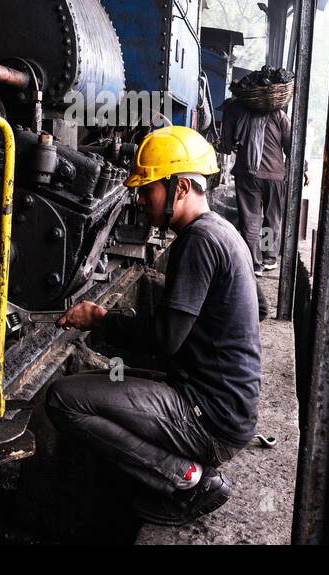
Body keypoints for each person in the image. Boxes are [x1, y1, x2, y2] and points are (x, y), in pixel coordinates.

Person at [45, 126, 262, 526]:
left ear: (179, 188)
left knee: (63, 399)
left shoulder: (197, 242)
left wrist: (101, 321)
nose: (142, 201)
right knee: (98, 380)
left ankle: (188, 479)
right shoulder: (223, 231)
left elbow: (164, 341)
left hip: (209, 418)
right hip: (227, 407)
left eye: (148, 190)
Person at [219, 92, 292, 276]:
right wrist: (303, 168)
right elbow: (291, 145)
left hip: (248, 174)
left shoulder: (236, 110)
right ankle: (268, 257)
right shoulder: (278, 114)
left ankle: (255, 263)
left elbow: (226, 145)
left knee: (250, 219)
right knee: (271, 218)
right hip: (275, 176)